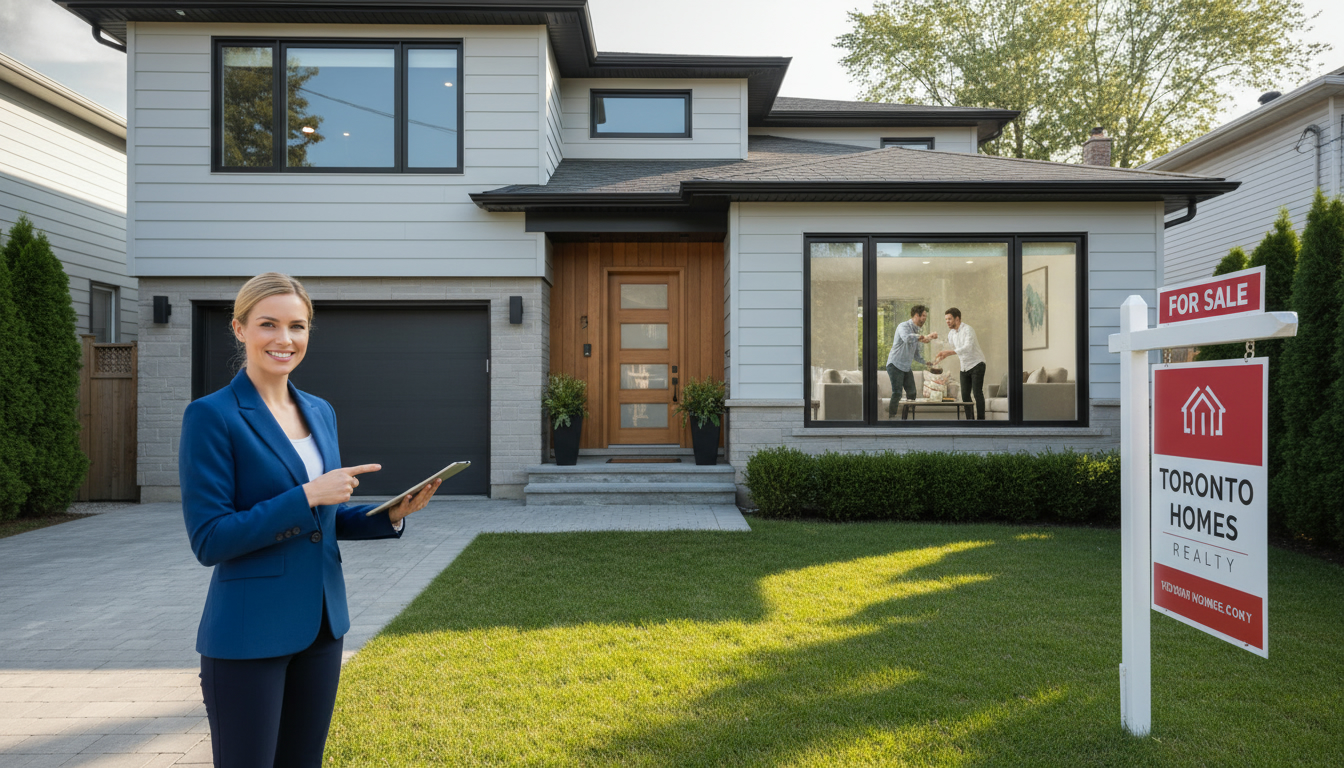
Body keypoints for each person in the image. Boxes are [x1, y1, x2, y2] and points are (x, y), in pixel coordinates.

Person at [179, 273, 443, 767]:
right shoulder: (211, 416)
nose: (285, 339)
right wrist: (305, 495)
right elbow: (210, 539)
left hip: (321, 627)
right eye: (268, 325)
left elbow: (322, 517)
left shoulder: (319, 411)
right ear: (239, 329)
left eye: (297, 326)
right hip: (248, 635)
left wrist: (385, 516)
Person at [934, 307, 988, 420]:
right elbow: (952, 349)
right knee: (965, 395)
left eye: (949, 319)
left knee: (977, 393)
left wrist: (948, 353)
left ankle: (981, 422)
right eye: (946, 319)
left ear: (957, 319)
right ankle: (970, 422)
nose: (947, 322)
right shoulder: (951, 334)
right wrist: (943, 355)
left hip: (977, 364)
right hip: (964, 367)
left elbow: (967, 348)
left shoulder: (968, 330)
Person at [886, 305, 938, 416]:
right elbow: (907, 338)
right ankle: (891, 419)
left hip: (905, 367)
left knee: (912, 393)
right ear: (916, 316)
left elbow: (916, 355)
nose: (924, 318)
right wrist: (924, 337)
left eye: (925, 316)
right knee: (897, 393)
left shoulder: (917, 332)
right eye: (923, 316)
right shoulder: (903, 326)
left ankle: (906, 419)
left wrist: (927, 363)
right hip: (895, 364)